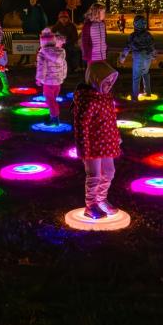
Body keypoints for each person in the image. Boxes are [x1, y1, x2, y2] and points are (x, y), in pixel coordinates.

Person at [72, 61, 122, 220]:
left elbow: (111, 120)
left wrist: (117, 136)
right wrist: (83, 147)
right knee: (94, 175)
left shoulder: (106, 97)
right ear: (95, 79)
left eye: (111, 82)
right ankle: (91, 204)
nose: (109, 85)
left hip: (107, 143)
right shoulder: (88, 100)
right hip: (92, 146)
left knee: (109, 172)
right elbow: (81, 126)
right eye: (105, 81)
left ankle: (101, 199)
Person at [118, 15, 156, 101]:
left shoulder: (133, 36)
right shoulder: (148, 35)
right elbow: (152, 46)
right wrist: (153, 56)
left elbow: (127, 47)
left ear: (135, 24)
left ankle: (135, 96)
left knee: (136, 76)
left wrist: (122, 58)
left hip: (138, 56)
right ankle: (148, 92)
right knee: (145, 73)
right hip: (147, 56)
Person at [35, 27, 68, 124]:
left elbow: (41, 67)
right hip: (57, 82)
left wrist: (39, 79)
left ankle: (55, 118)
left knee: (50, 100)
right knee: (53, 99)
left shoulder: (42, 53)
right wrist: (62, 77)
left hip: (48, 81)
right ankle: (53, 116)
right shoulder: (60, 52)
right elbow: (64, 65)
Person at [17, 0, 48, 66]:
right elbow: (22, 17)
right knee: (25, 45)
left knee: (37, 46)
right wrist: (21, 15)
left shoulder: (39, 9)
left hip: (36, 30)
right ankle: (26, 60)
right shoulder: (26, 7)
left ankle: (40, 61)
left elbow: (43, 19)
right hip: (27, 30)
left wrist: (42, 29)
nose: (32, 0)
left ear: (36, 0)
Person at [80, 3, 108, 80]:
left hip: (102, 54)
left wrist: (105, 48)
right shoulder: (88, 25)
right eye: (103, 12)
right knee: (91, 73)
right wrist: (87, 53)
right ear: (96, 13)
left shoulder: (102, 24)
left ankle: (100, 88)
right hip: (92, 55)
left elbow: (104, 37)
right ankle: (88, 87)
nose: (104, 14)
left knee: (101, 73)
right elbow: (84, 41)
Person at [53, 9, 81, 81]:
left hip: (69, 44)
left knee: (69, 53)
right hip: (59, 46)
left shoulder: (72, 26)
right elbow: (52, 35)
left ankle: (70, 69)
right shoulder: (56, 26)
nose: (63, 19)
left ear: (68, 18)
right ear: (59, 19)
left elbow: (75, 37)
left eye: (65, 18)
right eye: (61, 18)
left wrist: (67, 41)